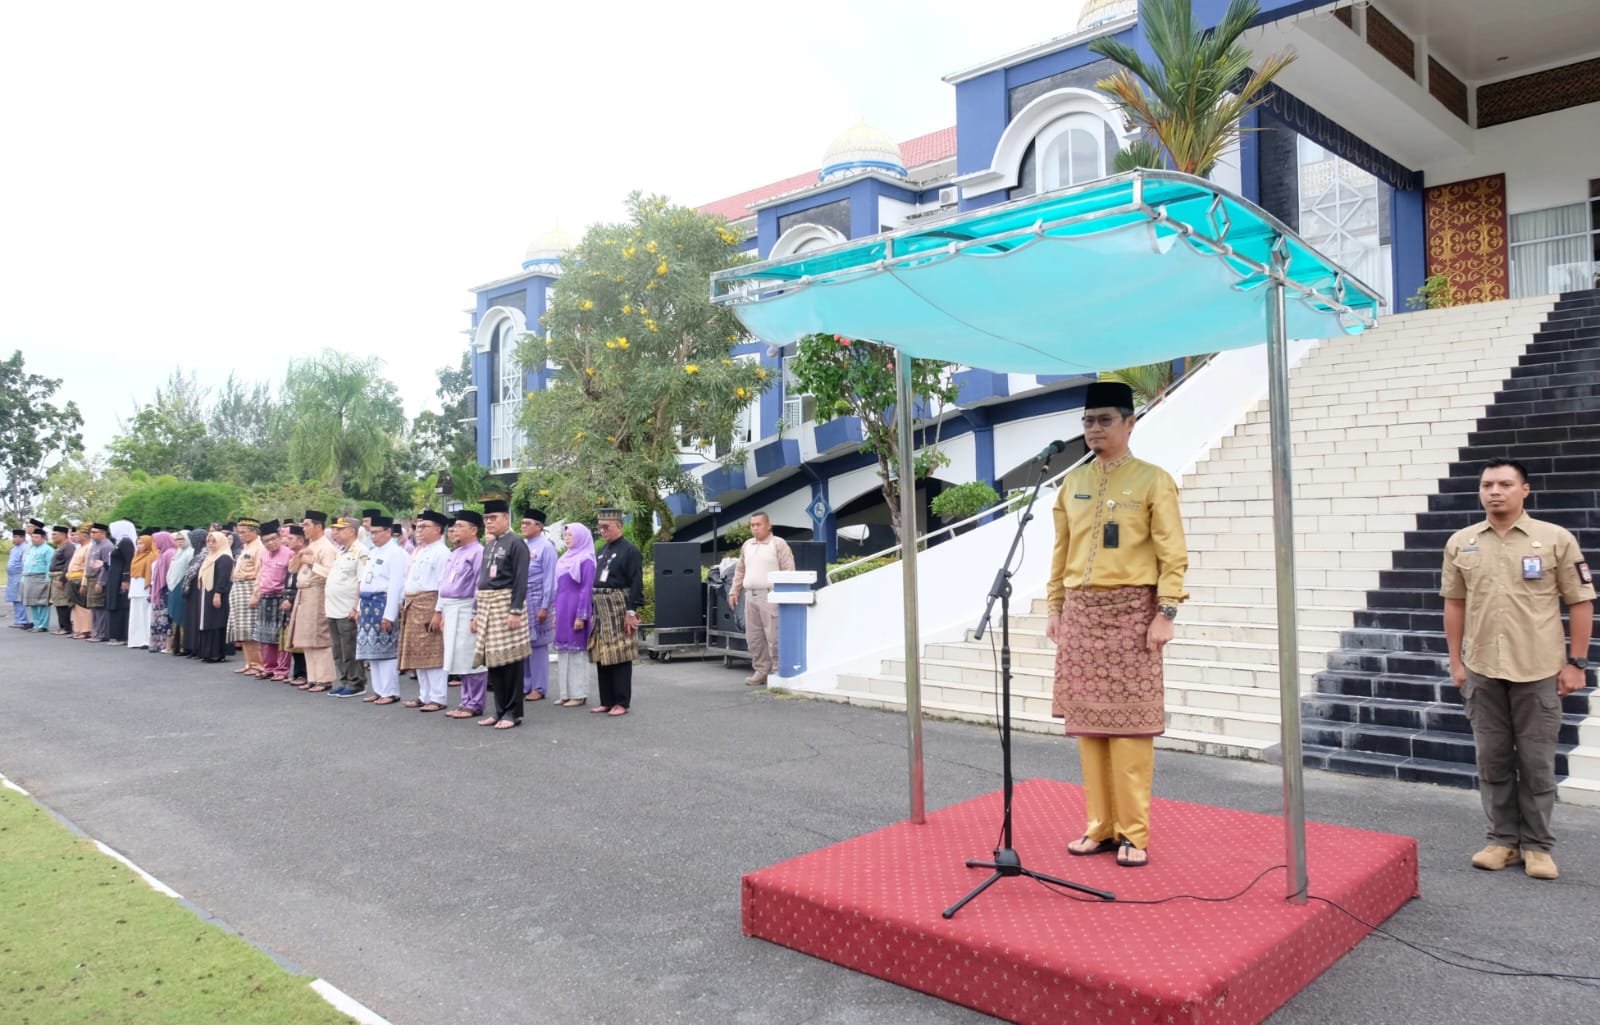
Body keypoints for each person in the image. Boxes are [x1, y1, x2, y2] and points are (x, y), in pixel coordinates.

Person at [1046, 380, 1187, 869]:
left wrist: (1165, 613)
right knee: (1089, 727)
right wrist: (1055, 607)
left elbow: (1173, 554)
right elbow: (1060, 551)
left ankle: (1133, 833)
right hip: (1082, 615)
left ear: (1130, 423)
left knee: (1130, 731)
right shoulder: (1071, 484)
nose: (1094, 429)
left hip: (1133, 614)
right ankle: (1099, 827)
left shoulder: (1153, 480)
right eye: (1088, 421)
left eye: (1106, 420)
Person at [1443, 457, 1595, 881]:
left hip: (1539, 669)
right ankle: (1501, 841)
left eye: (1505, 484)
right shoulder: (1462, 542)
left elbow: (1580, 602)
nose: (1495, 491)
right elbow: (1454, 604)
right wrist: (1457, 662)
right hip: (1483, 670)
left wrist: (1577, 663)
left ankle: (1538, 846)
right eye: (1488, 484)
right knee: (1491, 760)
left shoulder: (1555, 540)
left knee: (1537, 762)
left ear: (1524, 490)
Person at [471, 498, 531, 729]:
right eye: (486, 518)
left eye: (493, 517)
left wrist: (515, 610)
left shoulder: (517, 543)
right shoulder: (490, 545)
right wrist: (476, 612)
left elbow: (521, 579)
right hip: (487, 606)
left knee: (511, 661)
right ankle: (498, 711)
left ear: (506, 518)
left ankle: (513, 712)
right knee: (494, 661)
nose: (489, 522)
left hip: (507, 605)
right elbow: (482, 581)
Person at [728, 511, 795, 686]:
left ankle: (777, 670)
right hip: (750, 595)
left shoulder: (778, 544)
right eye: (752, 525)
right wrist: (734, 591)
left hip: (770, 595)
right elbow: (740, 570)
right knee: (754, 637)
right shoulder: (747, 545)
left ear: (768, 525)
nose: (755, 528)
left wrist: (785, 595)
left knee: (774, 635)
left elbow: (789, 570)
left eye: (758, 524)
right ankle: (761, 670)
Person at [589, 510, 644, 717]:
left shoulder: (630, 551)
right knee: (603, 654)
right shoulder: (602, 550)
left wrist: (631, 611)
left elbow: (636, 583)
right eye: (600, 527)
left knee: (619, 654)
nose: (602, 531)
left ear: (619, 526)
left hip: (618, 606)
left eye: (607, 527)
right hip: (601, 608)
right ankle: (607, 700)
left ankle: (621, 701)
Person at [398, 510, 451, 712]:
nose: (418, 531)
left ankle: (438, 697)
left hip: (430, 603)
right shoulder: (419, 550)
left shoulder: (441, 552)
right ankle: (424, 695)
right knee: (418, 652)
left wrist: (438, 612)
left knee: (433, 651)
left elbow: (442, 585)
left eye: (423, 527)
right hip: (413, 603)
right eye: (417, 527)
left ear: (437, 529)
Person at [441, 511, 488, 720]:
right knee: (458, 656)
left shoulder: (478, 552)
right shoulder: (456, 552)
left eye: (460, 526)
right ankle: (465, 700)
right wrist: (441, 611)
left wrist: (477, 613)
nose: (455, 530)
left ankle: (475, 703)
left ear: (474, 530)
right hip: (452, 608)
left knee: (470, 655)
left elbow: (480, 584)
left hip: (467, 606)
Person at [354, 516, 407, 703]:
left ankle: (390, 691)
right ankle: (378, 689)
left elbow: (395, 586)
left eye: (376, 532)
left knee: (386, 649)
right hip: (368, 602)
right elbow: (365, 581)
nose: (373, 536)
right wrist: (359, 607)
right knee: (371, 649)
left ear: (388, 532)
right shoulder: (373, 552)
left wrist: (389, 615)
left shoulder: (396, 553)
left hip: (383, 602)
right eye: (371, 533)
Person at [285, 511, 339, 691]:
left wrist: (310, 562)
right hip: (303, 593)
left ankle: (324, 679)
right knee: (306, 638)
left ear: (318, 526)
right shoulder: (310, 545)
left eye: (307, 525)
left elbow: (330, 574)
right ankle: (313, 676)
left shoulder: (327, 548)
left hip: (317, 592)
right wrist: (299, 556)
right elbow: (292, 570)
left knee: (319, 636)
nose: (304, 528)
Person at [551, 522, 597, 708]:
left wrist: (581, 615)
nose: (567, 538)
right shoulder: (564, 558)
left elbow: (586, 590)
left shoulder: (587, 559)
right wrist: (555, 611)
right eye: (566, 535)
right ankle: (565, 693)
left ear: (581, 536)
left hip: (576, 610)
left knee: (577, 653)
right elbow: (558, 588)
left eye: (571, 535)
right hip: (562, 608)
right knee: (563, 653)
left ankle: (579, 694)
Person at [324, 515, 368, 694]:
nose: (335, 533)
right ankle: (342, 680)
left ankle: (355, 682)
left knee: (350, 647)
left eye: (340, 529)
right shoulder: (342, 551)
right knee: (338, 648)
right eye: (334, 529)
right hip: (333, 607)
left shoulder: (361, 552)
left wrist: (356, 607)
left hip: (347, 607)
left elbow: (361, 581)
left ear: (352, 531)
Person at [520, 506, 559, 703]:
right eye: (522, 523)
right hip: (522, 602)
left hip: (538, 601)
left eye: (527, 523)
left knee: (538, 646)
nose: (523, 526)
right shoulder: (522, 545)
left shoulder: (546, 547)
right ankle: (526, 685)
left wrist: (546, 606)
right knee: (523, 645)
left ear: (539, 526)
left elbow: (550, 580)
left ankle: (539, 686)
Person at [252, 521, 293, 680]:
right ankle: (268, 667)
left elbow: (291, 579)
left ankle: (281, 670)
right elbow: (261, 575)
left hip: (281, 598)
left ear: (279, 537)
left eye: (273, 539)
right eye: (266, 541)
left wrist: (288, 598)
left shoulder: (289, 554)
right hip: (265, 597)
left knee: (280, 636)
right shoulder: (263, 555)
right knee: (264, 635)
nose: (271, 543)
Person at [227, 518, 266, 676]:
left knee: (250, 629)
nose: (240, 535)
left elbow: (260, 573)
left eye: (243, 532)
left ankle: (258, 663)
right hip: (238, 586)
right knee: (241, 629)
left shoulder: (259, 548)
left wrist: (256, 594)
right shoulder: (246, 547)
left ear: (254, 531)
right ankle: (249, 662)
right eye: (239, 532)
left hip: (249, 587)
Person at [194, 530, 235, 662]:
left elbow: (223, 578)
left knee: (216, 621)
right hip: (207, 592)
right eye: (208, 541)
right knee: (207, 621)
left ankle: (216, 653)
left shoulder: (224, 557)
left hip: (218, 593)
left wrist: (218, 594)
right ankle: (206, 652)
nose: (210, 544)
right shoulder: (210, 556)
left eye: (214, 541)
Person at [104, 520, 136, 644]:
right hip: (114, 577)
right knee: (114, 603)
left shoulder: (126, 542)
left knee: (120, 604)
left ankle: (121, 635)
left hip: (120, 578)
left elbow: (129, 561)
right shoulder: (119, 542)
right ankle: (115, 634)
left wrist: (126, 579)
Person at [178, 529, 208, 655]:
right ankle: (190, 646)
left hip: (199, 590)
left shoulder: (205, 554)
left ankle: (196, 646)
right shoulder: (197, 553)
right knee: (191, 618)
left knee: (196, 618)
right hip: (192, 590)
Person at [126, 528, 157, 649]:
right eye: (137, 543)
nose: (139, 546)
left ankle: (146, 640)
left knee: (145, 614)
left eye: (142, 543)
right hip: (135, 587)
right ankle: (136, 640)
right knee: (136, 615)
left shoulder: (152, 555)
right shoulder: (136, 556)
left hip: (145, 587)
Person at [146, 530, 176, 653]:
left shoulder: (170, 554)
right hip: (160, 590)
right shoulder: (163, 554)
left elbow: (170, 574)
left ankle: (165, 644)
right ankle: (159, 643)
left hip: (166, 590)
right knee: (160, 618)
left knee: (165, 619)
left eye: (156, 541)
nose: (154, 543)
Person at [85, 523, 114, 641]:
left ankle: (102, 633)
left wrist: (101, 582)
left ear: (103, 533)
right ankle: (96, 631)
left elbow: (106, 566)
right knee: (94, 607)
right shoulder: (94, 545)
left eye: (94, 532)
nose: (91, 535)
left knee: (100, 607)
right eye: (91, 532)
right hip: (91, 577)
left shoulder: (107, 546)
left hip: (99, 578)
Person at [21, 528, 53, 631]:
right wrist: (23, 578)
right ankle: (36, 623)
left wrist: (48, 580)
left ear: (43, 538)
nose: (34, 539)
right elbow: (26, 564)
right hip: (29, 577)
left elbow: (49, 565)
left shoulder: (48, 550)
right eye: (33, 537)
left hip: (41, 577)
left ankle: (42, 625)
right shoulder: (32, 549)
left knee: (42, 602)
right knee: (32, 602)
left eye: (36, 537)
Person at [48, 525, 77, 635]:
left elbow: (68, 564)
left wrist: (62, 579)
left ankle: (66, 627)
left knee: (63, 602)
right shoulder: (60, 547)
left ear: (64, 535)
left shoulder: (68, 547)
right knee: (58, 602)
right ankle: (62, 626)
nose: (52, 536)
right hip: (54, 576)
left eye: (55, 534)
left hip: (61, 576)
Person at [66, 528, 93, 639]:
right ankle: (77, 628)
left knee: (82, 606)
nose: (74, 537)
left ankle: (86, 630)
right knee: (75, 606)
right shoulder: (79, 548)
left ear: (85, 536)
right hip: (72, 578)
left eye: (77, 535)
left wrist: (84, 583)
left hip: (80, 579)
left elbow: (87, 567)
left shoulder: (89, 547)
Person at [6, 526, 25, 628]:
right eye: (13, 537)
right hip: (12, 577)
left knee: (19, 599)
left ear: (22, 538)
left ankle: (23, 620)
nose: (14, 539)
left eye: (16, 537)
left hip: (19, 576)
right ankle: (18, 619)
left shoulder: (25, 548)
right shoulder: (14, 549)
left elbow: (23, 563)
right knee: (14, 599)